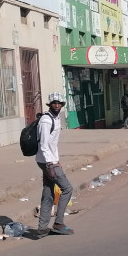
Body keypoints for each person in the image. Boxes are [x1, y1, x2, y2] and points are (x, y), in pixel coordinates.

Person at [35, 99, 74, 237]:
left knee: (48, 192)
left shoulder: (55, 118)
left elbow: (53, 144)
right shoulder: (46, 120)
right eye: (54, 103)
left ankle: (42, 227)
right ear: (49, 105)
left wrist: (57, 160)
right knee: (67, 188)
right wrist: (51, 165)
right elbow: (44, 145)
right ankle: (58, 223)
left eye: (59, 103)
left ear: (62, 105)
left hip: (50, 160)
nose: (57, 105)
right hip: (47, 161)